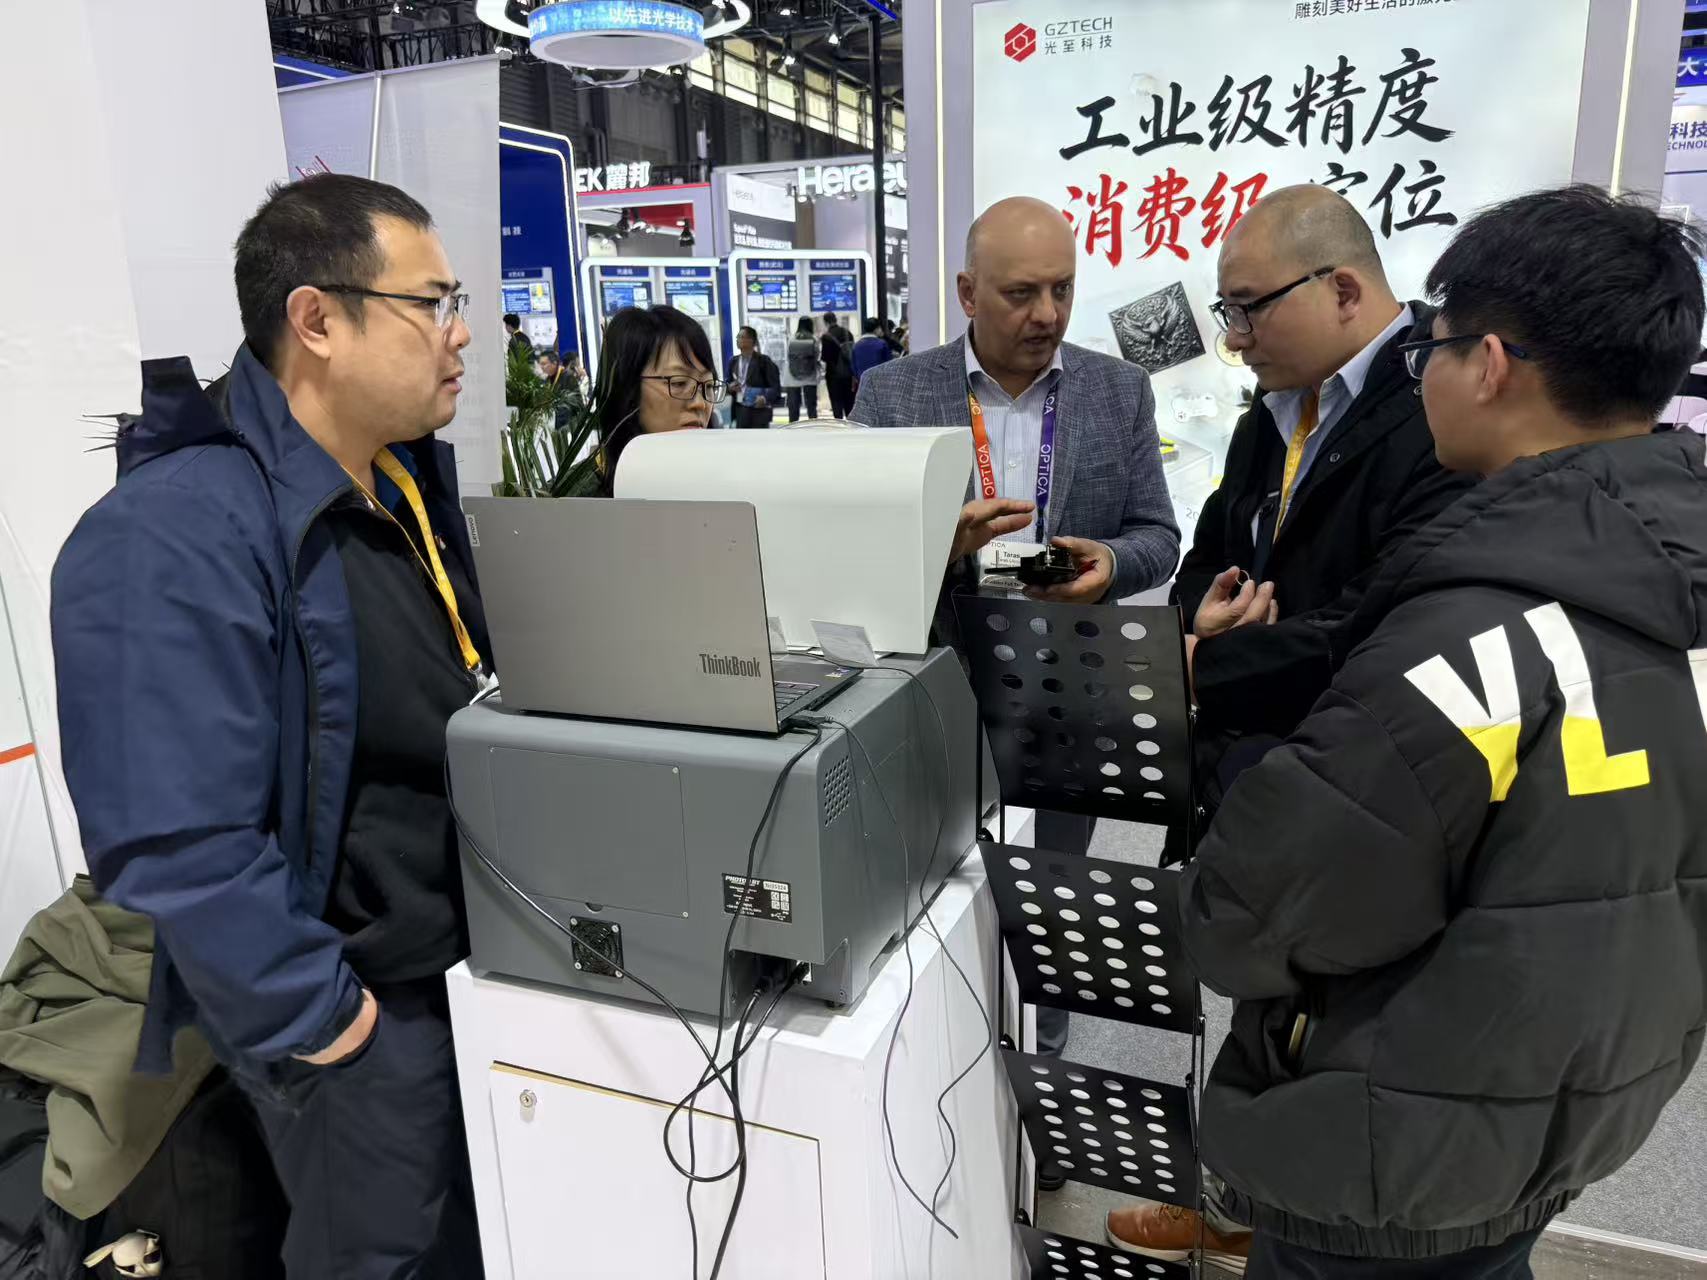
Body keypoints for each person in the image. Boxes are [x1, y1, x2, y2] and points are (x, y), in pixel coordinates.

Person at [1177, 187, 1707, 1277]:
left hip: (1395, 1140)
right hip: (1542, 1108)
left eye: (1436, 348)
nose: (1422, 374)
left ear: (1491, 365)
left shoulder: (1470, 629)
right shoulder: (1645, 582)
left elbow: (1253, 909)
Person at [50, 173, 487, 1279]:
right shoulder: (176, 530)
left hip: (456, 979)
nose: (459, 331)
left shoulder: (392, 486)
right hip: (357, 1015)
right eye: (430, 302)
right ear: (317, 320)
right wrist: (327, 1022)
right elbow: (172, 838)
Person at [852, 194, 1179, 1063]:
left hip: (1069, 693)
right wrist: (941, 544)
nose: (1046, 314)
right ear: (968, 293)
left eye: (1061, 290)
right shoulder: (892, 394)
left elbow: (1157, 535)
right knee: (925, 896)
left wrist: (1109, 563)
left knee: (1052, 901)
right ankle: (933, 1068)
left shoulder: (1117, 391)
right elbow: (852, 551)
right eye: (1021, 293)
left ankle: (1042, 1074)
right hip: (932, 692)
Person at [1166, 187, 1476, 825]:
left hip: (1359, 794)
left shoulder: (1442, 407)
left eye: (1249, 310)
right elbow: (1207, 553)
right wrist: (1204, 613)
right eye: (1228, 312)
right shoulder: (1271, 408)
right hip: (1236, 776)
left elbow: (1383, 622)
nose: (1235, 340)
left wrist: (1208, 665)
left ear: (1343, 292)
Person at [562, 304, 723, 496]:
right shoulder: (570, 500)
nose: (700, 403)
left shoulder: (723, 483)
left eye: (709, 387)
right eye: (679, 383)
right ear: (627, 387)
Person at [727, 325, 781, 428]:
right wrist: (730, 387)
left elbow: (776, 387)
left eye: (741, 337)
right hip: (740, 409)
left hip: (759, 410)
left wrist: (765, 398)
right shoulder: (733, 362)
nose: (738, 340)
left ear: (751, 340)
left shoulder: (764, 361)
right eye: (737, 337)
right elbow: (727, 383)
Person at [783, 316, 822, 422]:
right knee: (811, 406)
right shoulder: (813, 339)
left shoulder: (792, 338)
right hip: (810, 375)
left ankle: (792, 426)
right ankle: (812, 426)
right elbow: (817, 355)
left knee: (793, 406)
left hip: (792, 375)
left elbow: (788, 356)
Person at [821, 310, 856, 418]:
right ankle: (851, 425)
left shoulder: (826, 337)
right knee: (849, 404)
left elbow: (825, 357)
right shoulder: (847, 333)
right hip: (848, 374)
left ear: (825, 322)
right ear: (835, 320)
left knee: (836, 404)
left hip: (833, 375)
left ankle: (839, 425)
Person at [849, 316, 894, 389]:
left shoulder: (856, 345)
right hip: (880, 383)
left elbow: (853, 367)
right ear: (876, 329)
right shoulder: (882, 344)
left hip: (863, 384)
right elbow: (889, 364)